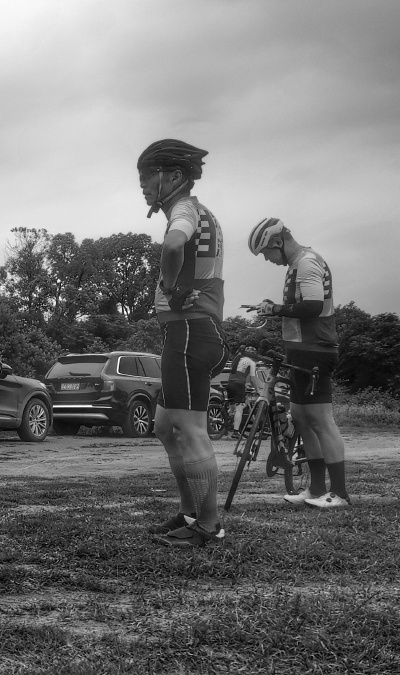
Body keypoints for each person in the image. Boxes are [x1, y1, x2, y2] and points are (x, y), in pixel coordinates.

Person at [137, 138, 229, 548]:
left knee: (189, 430)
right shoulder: (195, 211)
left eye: (147, 177)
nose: (142, 185)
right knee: (165, 427)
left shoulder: (185, 210)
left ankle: (208, 525)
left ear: (173, 176)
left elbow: (174, 244)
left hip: (191, 330)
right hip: (189, 332)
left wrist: (171, 288)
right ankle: (190, 512)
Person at [248, 217, 349, 508]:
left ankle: (340, 493)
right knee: (303, 419)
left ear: (278, 242)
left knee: (321, 420)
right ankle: (316, 489)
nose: (267, 259)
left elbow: (313, 306)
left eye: (266, 252)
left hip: (315, 349)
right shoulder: (295, 265)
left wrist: (276, 309)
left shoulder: (306, 263)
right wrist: (273, 308)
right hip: (300, 351)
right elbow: (298, 306)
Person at [226, 346, 258, 437]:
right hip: (239, 385)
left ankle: (225, 423)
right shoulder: (251, 363)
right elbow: (252, 380)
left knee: (232, 408)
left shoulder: (238, 358)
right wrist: (257, 390)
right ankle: (236, 432)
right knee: (239, 409)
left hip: (230, 384)